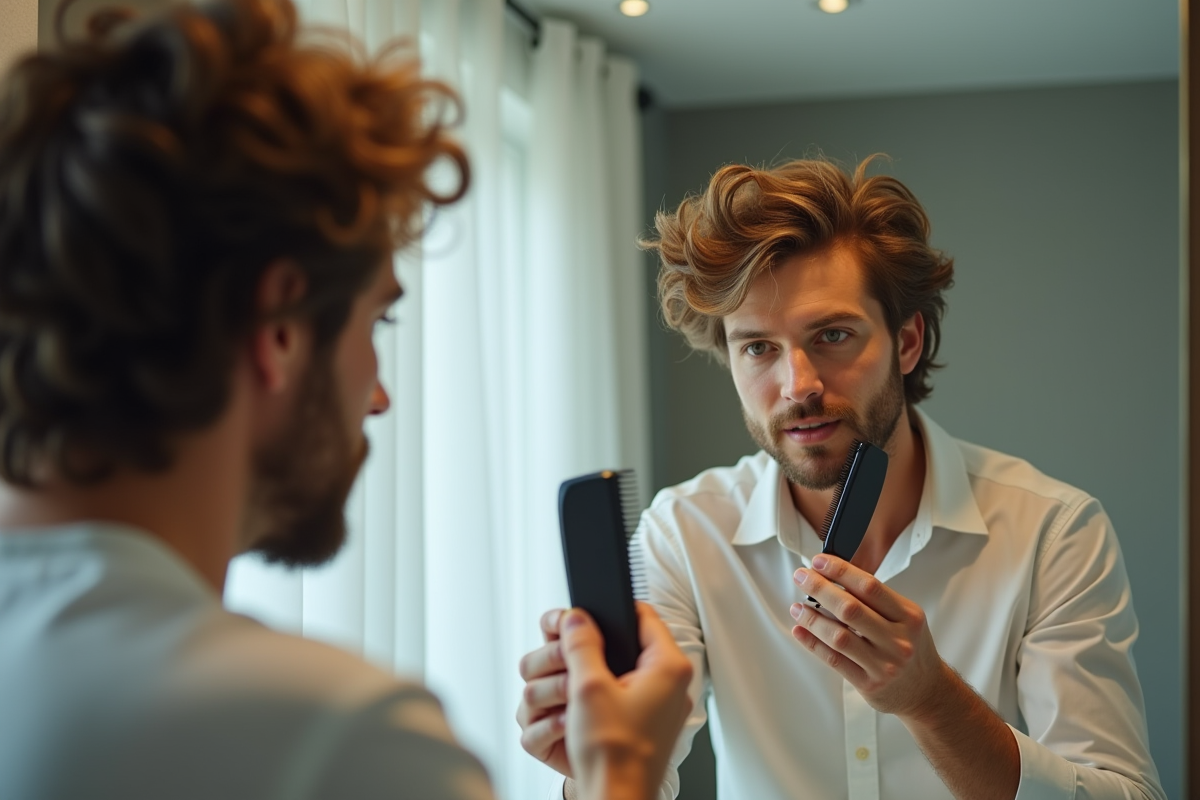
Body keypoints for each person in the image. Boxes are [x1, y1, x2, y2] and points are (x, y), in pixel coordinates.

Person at [0, 1, 693, 798]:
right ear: (281, 329)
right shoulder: (333, 740)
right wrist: (625, 775)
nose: (381, 397)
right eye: (379, 319)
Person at [516, 158, 1165, 800]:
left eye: (832, 335)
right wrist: (597, 768)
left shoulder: (1053, 532)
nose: (798, 385)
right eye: (758, 347)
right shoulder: (685, 535)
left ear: (907, 342)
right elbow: (640, 772)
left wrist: (933, 702)